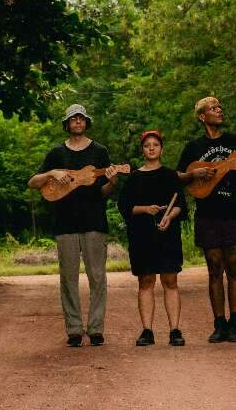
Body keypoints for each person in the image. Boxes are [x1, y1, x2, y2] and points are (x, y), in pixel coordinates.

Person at [177, 97, 236, 343]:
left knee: (234, 268)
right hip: (207, 215)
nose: (219, 111)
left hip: (233, 213)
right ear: (202, 117)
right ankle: (219, 324)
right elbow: (178, 176)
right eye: (213, 109)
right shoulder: (194, 147)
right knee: (214, 269)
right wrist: (193, 173)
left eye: (220, 108)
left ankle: (235, 324)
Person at [28, 104, 118, 347]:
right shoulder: (56, 154)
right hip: (65, 223)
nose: (77, 122)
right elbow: (32, 182)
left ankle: (96, 329)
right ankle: (75, 330)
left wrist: (112, 181)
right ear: (67, 124)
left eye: (81, 119)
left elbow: (104, 191)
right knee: (68, 278)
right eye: (73, 119)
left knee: (97, 277)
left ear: (86, 122)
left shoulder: (100, 151)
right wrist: (52, 174)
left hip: (94, 221)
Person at [118, 130, 188, 346]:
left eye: (155, 145)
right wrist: (145, 209)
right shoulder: (133, 178)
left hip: (168, 236)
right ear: (143, 150)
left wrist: (169, 217)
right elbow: (125, 207)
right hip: (142, 237)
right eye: (147, 145)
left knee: (170, 281)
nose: (151, 148)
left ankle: (174, 330)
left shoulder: (170, 175)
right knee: (146, 282)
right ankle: (147, 331)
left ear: (161, 149)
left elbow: (180, 206)